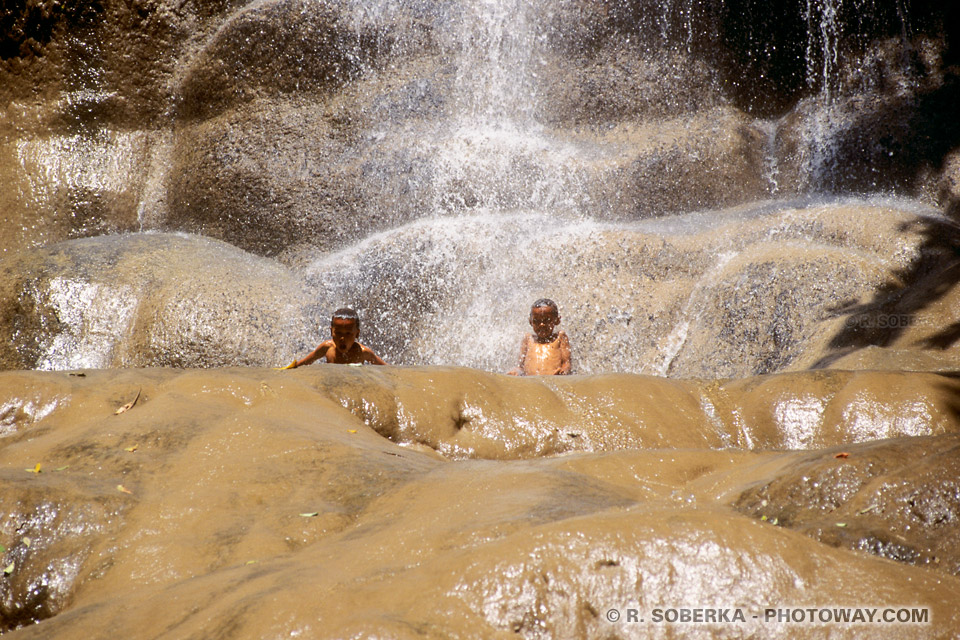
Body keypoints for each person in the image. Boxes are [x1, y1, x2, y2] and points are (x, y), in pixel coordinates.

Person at [280, 308, 386, 368]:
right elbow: (304, 363)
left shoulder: (363, 352)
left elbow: (387, 369)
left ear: (357, 334)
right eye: (338, 333)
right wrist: (287, 369)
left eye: (348, 334)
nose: (342, 338)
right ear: (331, 331)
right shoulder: (327, 348)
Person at [508, 298, 572, 376]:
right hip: (531, 383)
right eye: (536, 321)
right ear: (530, 322)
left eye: (547, 320)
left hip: (553, 381)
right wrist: (516, 371)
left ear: (557, 320)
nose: (541, 324)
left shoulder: (560, 337)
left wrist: (564, 370)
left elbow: (567, 362)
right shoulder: (528, 339)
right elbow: (521, 366)